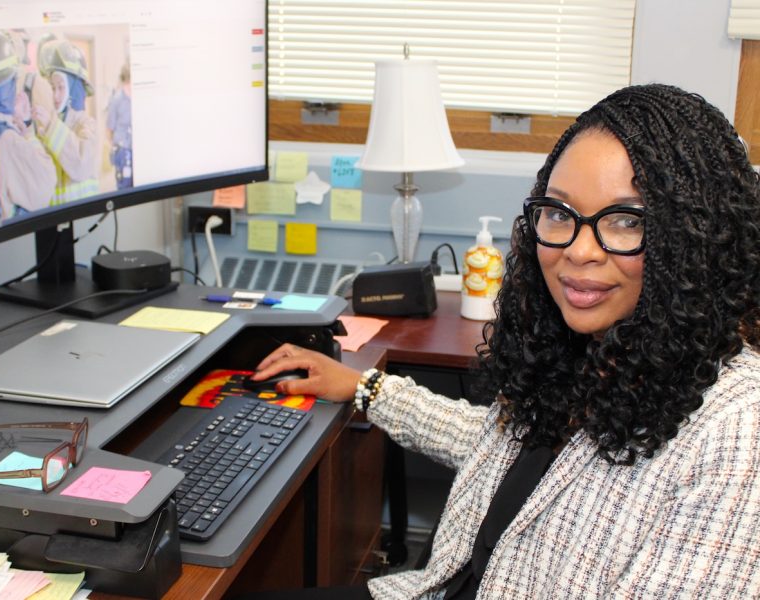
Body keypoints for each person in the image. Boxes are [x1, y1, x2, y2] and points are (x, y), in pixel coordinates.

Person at [248, 84, 760, 599]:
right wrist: (366, 389)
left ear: (695, 235)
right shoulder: (604, 348)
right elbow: (503, 450)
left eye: (627, 221)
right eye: (560, 213)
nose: (579, 251)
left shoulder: (737, 430)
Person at [0, 30, 56, 224]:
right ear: (8, 82)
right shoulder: (8, 139)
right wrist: (28, 133)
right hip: (10, 246)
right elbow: (46, 183)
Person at [31, 39, 99, 204]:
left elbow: (80, 165)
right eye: (53, 88)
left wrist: (50, 127)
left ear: (74, 88)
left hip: (83, 221)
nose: (55, 96)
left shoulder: (87, 125)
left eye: (61, 87)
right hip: (54, 221)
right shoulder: (48, 128)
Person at [106, 63, 132, 189]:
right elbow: (109, 129)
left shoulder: (138, 98)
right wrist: (115, 148)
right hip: (122, 151)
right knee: (124, 188)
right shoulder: (117, 100)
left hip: (136, 149)